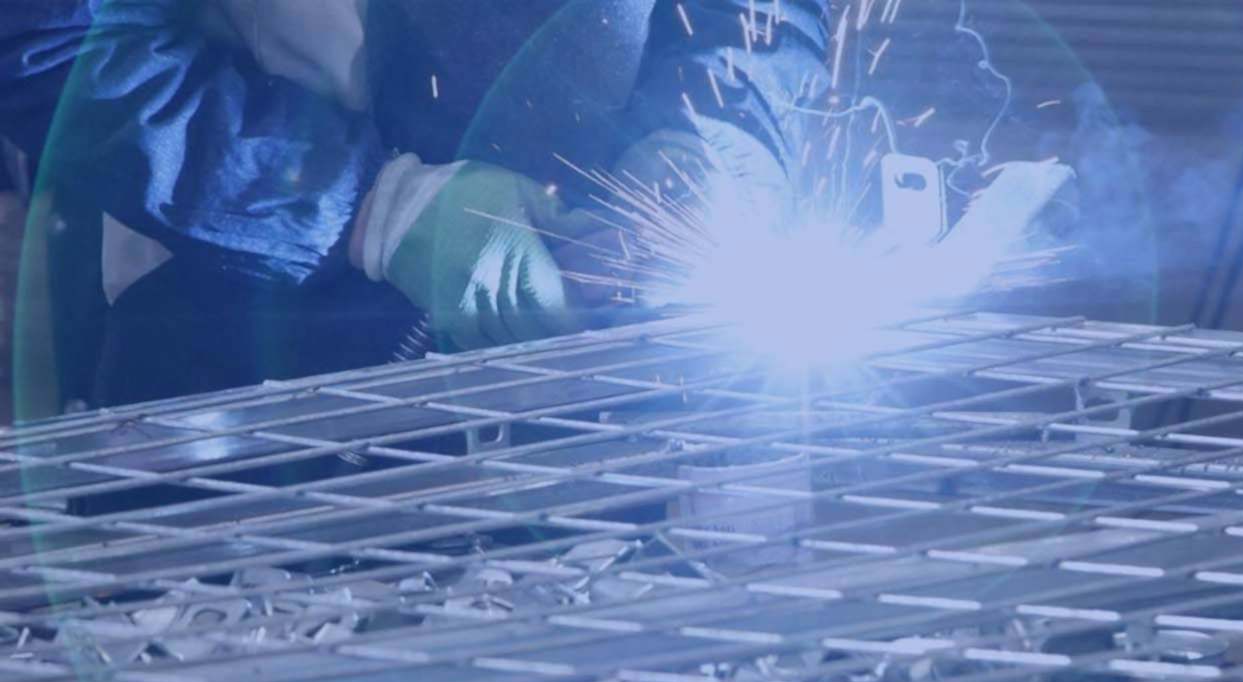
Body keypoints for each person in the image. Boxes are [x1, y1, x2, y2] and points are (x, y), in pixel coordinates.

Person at [0, 0, 827, 418]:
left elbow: (758, 17)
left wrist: (713, 141)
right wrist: (372, 206)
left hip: (633, 370)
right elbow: (53, 38)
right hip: (260, 361)